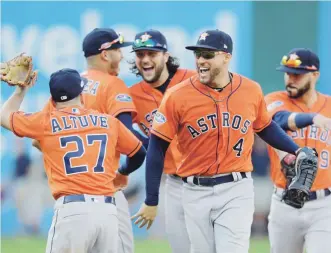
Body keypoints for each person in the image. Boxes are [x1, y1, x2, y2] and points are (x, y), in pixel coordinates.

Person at [132, 30, 317, 253]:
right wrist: (151, 198)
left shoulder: (250, 89)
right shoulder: (178, 95)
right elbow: (157, 146)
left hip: (236, 187)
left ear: (226, 57)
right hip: (193, 190)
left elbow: (266, 127)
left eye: (208, 55)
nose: (201, 60)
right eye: (198, 54)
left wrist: (296, 151)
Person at [1, 68, 146, 253]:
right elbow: (139, 152)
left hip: (73, 211)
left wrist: (20, 91)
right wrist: (123, 172)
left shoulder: (45, 122)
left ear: (53, 101)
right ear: (81, 94)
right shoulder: (108, 122)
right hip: (108, 213)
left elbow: (4, 116)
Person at [33, 28, 147, 253]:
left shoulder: (69, 87)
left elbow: (39, 140)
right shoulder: (113, 84)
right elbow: (128, 139)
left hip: (72, 196)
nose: (121, 56)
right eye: (117, 50)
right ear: (105, 54)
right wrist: (125, 170)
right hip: (105, 191)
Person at [129, 29, 196, 253]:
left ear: (165, 56)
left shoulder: (192, 80)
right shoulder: (133, 96)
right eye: (140, 55)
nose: (145, 59)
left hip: (210, 179)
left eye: (152, 53)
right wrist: (147, 143)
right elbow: (115, 128)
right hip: (174, 184)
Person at [265, 48, 331, 253]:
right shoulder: (274, 100)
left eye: (297, 74)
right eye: (287, 73)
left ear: (315, 75)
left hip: (324, 205)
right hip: (284, 202)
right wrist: (312, 118)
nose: (290, 79)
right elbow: (278, 121)